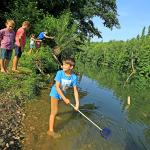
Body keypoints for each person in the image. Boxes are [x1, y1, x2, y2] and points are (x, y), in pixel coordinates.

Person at [47, 57, 79, 138]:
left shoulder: (74, 77)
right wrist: (64, 98)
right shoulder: (60, 73)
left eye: (65, 65)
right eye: (63, 64)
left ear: (71, 67)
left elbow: (75, 90)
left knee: (57, 108)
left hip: (62, 94)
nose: (63, 66)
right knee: (53, 112)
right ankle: (50, 131)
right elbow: (57, 87)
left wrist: (77, 104)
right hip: (55, 92)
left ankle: (55, 115)